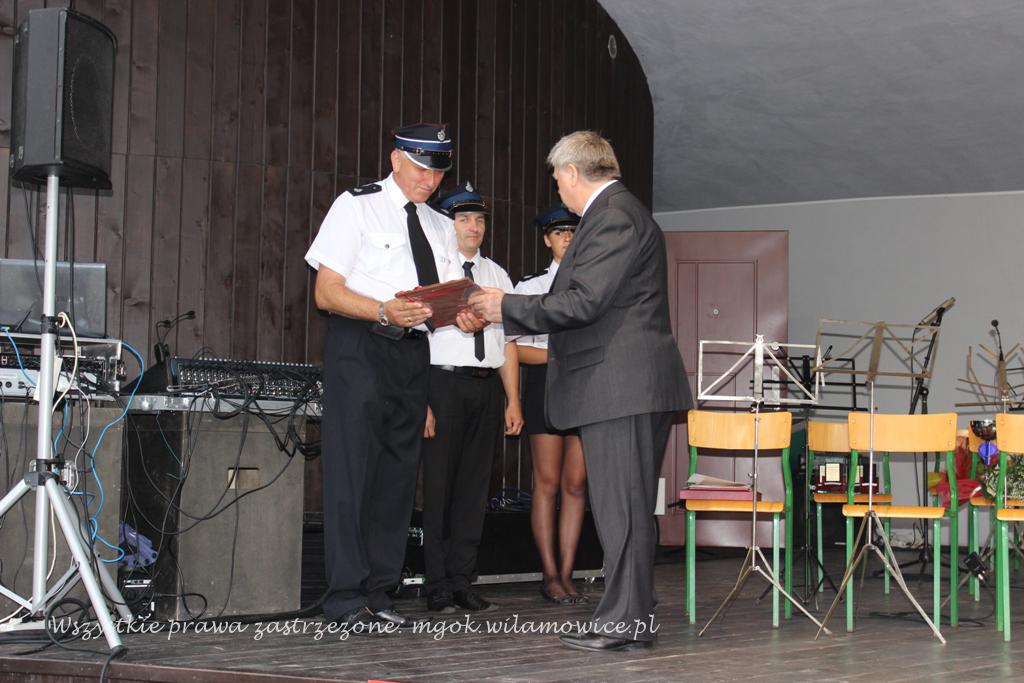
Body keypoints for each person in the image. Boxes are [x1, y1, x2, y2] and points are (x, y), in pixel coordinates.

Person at [469, 131, 693, 652]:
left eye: (556, 178)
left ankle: (624, 622)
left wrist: (504, 306)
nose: (558, 188)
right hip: (624, 385)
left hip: (621, 385)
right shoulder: (619, 213)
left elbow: (583, 302)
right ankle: (631, 616)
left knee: (623, 511)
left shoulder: (613, 215)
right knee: (625, 509)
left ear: (572, 172)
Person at [304, 123, 469, 630]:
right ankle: (345, 599)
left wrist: (463, 314)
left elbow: (444, 297)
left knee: (397, 479)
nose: (429, 180)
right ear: (396, 159)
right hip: (362, 346)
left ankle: (378, 593)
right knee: (352, 475)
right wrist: (381, 310)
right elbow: (325, 292)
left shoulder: (441, 225)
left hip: (414, 354)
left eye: (437, 172)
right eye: (420, 168)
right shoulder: (356, 206)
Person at [421, 182, 524, 614]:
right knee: (438, 487)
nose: (473, 227)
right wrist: (422, 400)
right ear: (449, 224)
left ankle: (463, 580)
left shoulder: (497, 275)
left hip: (485, 388)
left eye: (479, 220)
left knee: (474, 488)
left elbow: (509, 343)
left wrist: (513, 400)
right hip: (442, 385)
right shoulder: (432, 270)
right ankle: (436, 584)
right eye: (464, 219)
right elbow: (414, 341)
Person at [513, 205, 588, 605]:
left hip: (583, 388)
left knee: (576, 485)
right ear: (547, 239)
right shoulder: (530, 287)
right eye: (559, 233)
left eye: (573, 232)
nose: (567, 239)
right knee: (547, 483)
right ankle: (549, 574)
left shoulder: (592, 285)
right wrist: (560, 356)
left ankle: (568, 573)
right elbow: (515, 349)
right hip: (543, 385)